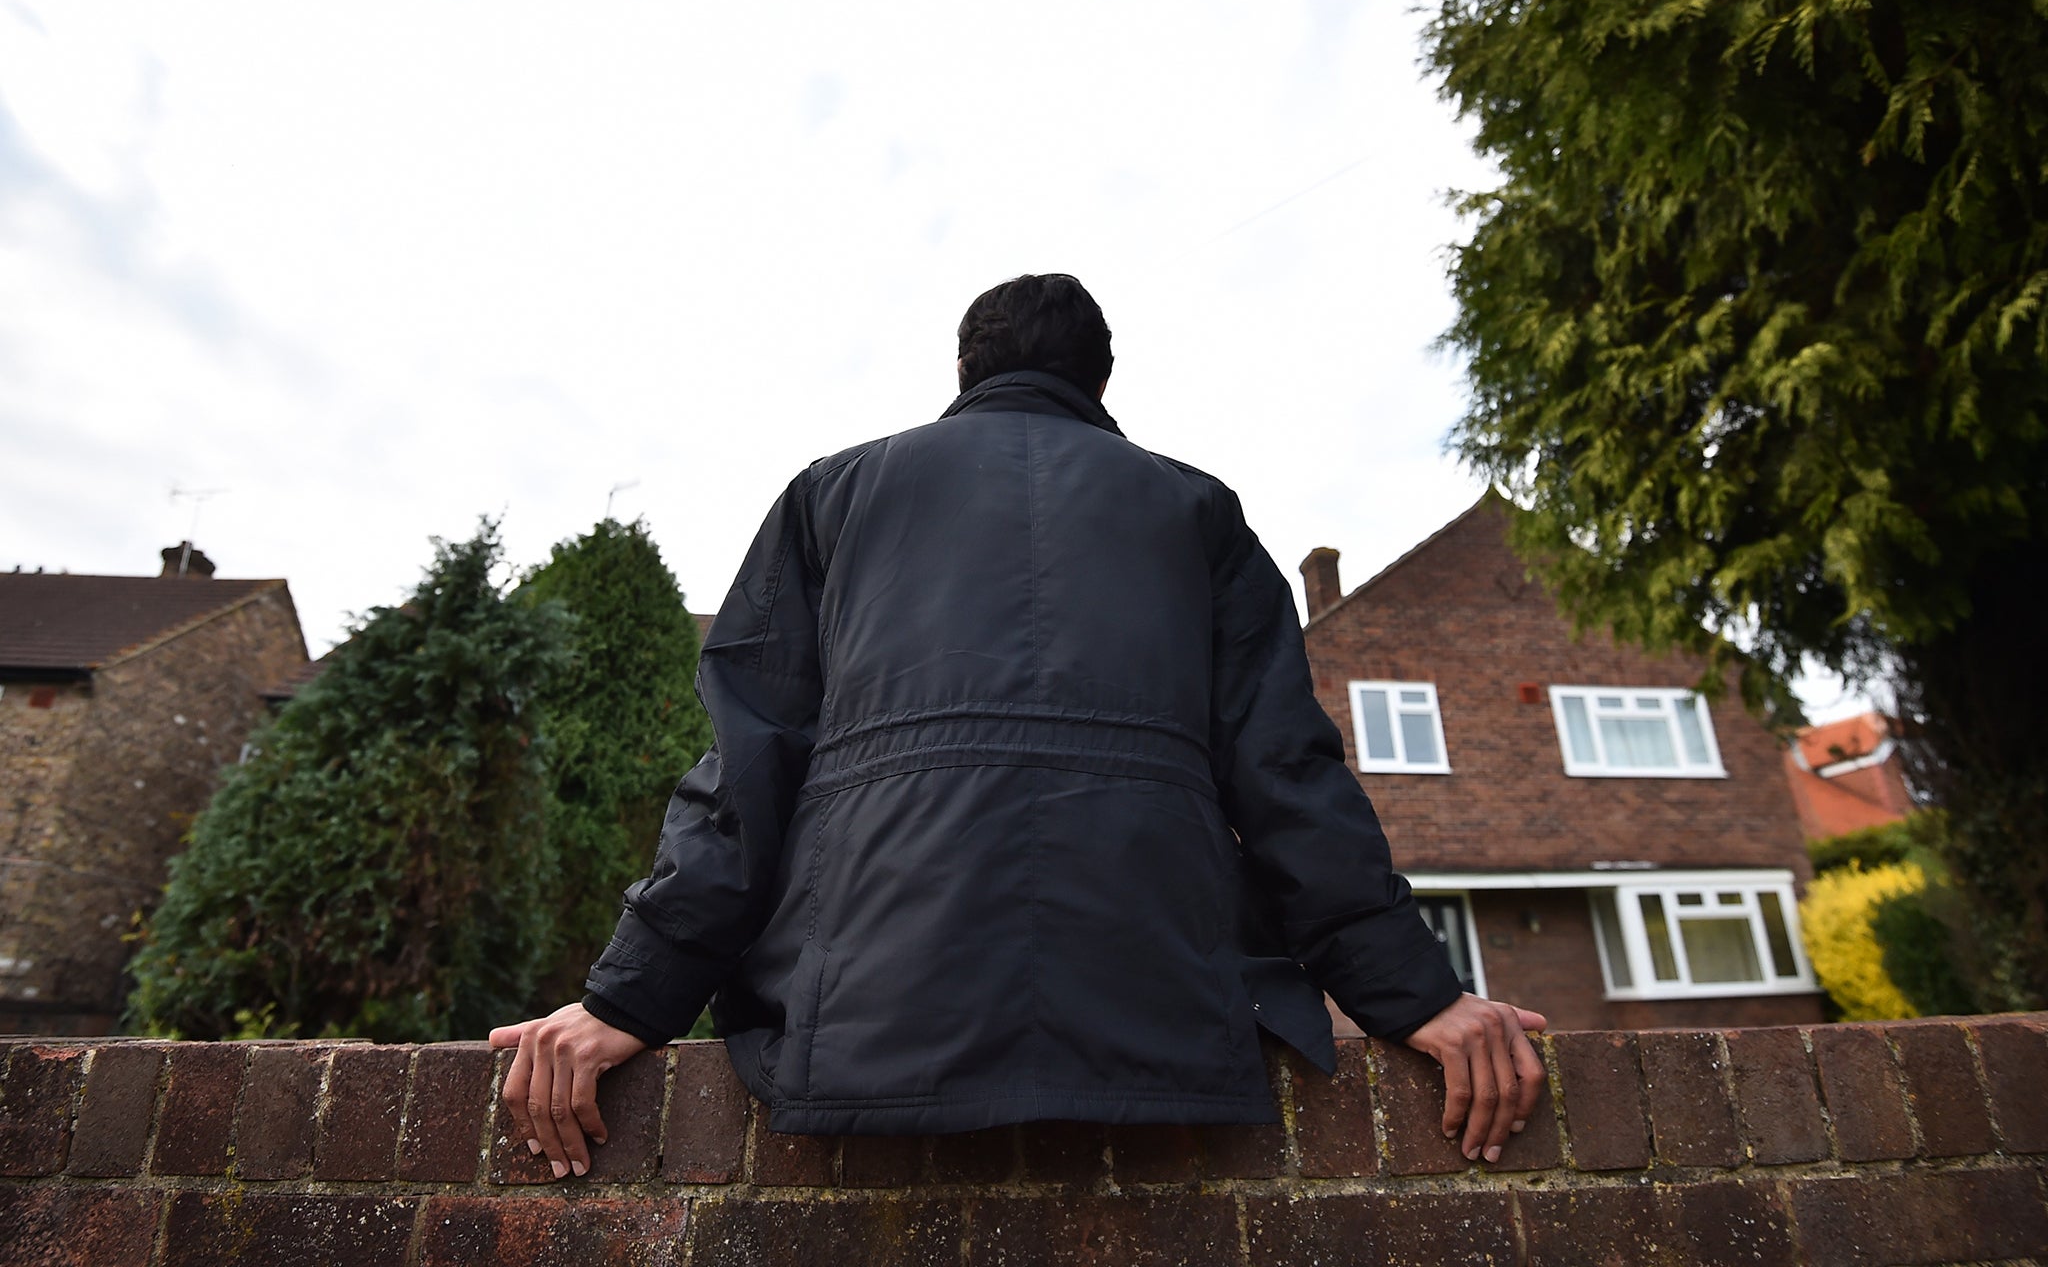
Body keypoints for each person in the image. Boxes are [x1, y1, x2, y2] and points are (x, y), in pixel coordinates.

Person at [493, 273, 1545, 1178]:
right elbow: (1288, 778)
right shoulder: (1196, 511)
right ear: (1100, 379)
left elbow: (744, 774)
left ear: (964, 370)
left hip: (865, 1025)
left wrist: (628, 1004)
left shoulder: (832, 496)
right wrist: (1416, 998)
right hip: (1159, 1017)